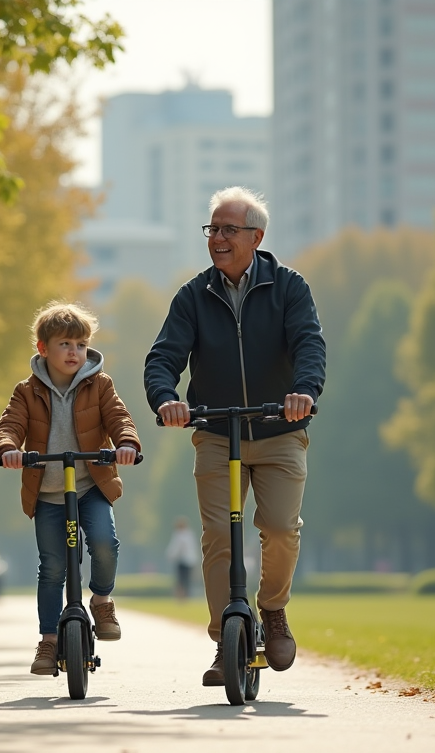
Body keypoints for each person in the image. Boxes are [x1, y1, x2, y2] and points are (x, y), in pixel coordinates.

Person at [144, 186, 326, 686]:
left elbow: (309, 345)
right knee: (220, 538)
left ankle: (272, 611)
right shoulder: (193, 296)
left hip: (279, 428)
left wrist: (304, 391)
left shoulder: (289, 288)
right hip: (218, 432)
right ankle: (226, 638)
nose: (218, 238)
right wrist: (166, 399)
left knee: (281, 528)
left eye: (229, 230)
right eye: (213, 229)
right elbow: (163, 358)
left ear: (256, 237)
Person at [0, 302, 141, 676]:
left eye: (80, 344)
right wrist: (9, 449)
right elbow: (9, 424)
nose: (74, 352)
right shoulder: (26, 391)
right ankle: (48, 641)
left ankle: (102, 600)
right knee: (52, 567)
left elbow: (119, 418)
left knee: (105, 542)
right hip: (47, 492)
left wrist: (126, 444)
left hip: (91, 485)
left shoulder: (100, 384)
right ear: (43, 349)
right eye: (65, 344)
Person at [165, 517, 201, 600]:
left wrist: (170, 556)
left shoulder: (179, 535)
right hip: (191, 561)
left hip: (183, 560)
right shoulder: (190, 534)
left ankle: (181, 596)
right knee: (187, 580)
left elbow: (176, 548)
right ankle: (187, 595)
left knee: (181, 580)